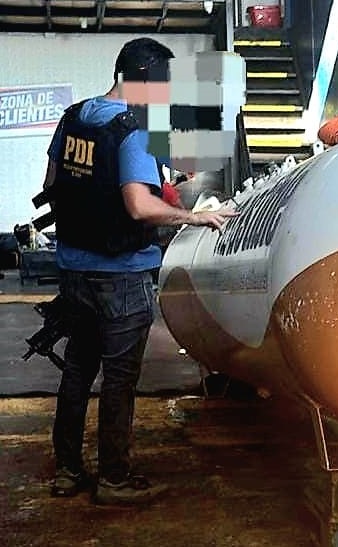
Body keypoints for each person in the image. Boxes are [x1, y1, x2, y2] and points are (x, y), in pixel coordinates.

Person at [44, 37, 237, 505]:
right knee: (119, 380)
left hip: (74, 270)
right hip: (121, 275)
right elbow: (138, 206)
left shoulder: (74, 118)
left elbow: (53, 185)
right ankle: (114, 478)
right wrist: (196, 217)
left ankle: (68, 470)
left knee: (77, 372)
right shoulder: (133, 129)